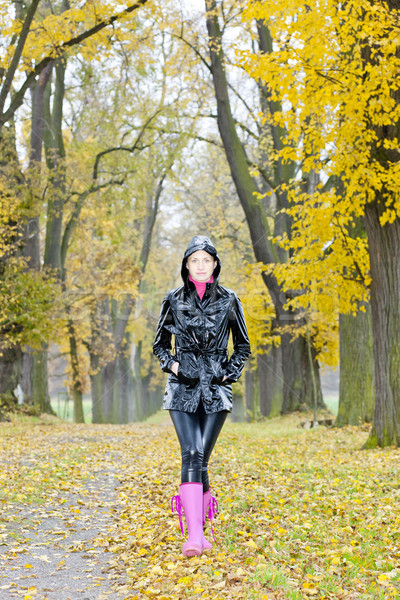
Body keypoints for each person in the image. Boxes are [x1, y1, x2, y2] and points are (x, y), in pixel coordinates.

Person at [153, 235, 251, 557]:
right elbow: (158, 347)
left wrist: (227, 372)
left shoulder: (230, 299)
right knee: (192, 453)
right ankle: (194, 537)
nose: (200, 265)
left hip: (216, 388)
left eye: (205, 260)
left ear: (214, 265)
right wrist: (175, 365)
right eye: (194, 260)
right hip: (181, 387)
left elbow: (244, 347)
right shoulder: (173, 299)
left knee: (202, 460)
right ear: (186, 265)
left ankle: (201, 530)